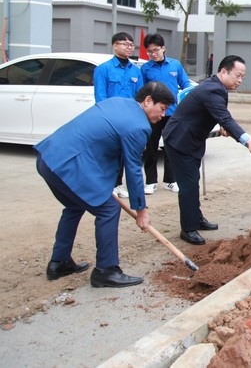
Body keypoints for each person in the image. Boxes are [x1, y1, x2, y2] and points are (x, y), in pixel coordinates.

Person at [36, 82, 175, 288]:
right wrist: (141, 210)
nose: (162, 115)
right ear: (147, 101)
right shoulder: (139, 126)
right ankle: (106, 270)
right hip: (69, 166)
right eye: (162, 109)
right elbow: (134, 169)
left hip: (49, 158)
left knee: (75, 206)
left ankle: (59, 262)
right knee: (109, 209)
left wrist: (104, 184)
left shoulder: (117, 102)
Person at [163, 55, 251, 245]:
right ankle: (188, 228)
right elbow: (225, 118)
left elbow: (215, 114)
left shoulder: (216, 87)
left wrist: (223, 127)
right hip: (180, 140)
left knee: (193, 181)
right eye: (237, 76)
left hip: (192, 139)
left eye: (243, 77)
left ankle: (196, 218)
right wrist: (248, 140)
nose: (240, 81)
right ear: (224, 71)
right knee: (188, 185)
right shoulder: (213, 90)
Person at [93, 32, 144, 199]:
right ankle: (107, 185)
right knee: (109, 152)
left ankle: (118, 183)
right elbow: (100, 96)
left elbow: (140, 97)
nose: (129, 47)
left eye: (131, 44)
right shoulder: (103, 69)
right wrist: (106, 117)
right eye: (124, 44)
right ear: (115, 46)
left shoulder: (136, 71)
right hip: (110, 118)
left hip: (128, 119)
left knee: (124, 153)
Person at [140, 33, 192, 195]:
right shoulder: (145, 68)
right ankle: (150, 181)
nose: (153, 54)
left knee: (171, 147)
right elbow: (142, 92)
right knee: (151, 147)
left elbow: (186, 85)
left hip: (172, 113)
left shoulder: (175, 65)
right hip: (153, 115)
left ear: (163, 48)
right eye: (149, 51)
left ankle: (170, 180)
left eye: (155, 50)